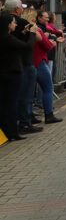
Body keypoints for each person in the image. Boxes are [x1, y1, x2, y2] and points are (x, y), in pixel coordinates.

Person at [0, 12, 36, 141]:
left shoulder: (6, 37)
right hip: (12, 73)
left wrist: (24, 33)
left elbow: (17, 43)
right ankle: (12, 132)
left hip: (5, 73)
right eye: (13, 22)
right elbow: (27, 47)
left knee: (6, 103)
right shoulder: (7, 38)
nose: (15, 24)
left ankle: (8, 131)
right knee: (11, 103)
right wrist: (32, 32)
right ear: (8, 25)